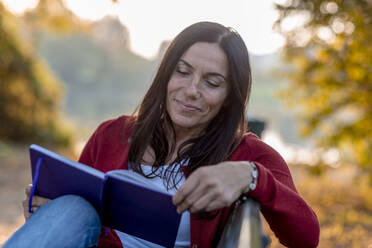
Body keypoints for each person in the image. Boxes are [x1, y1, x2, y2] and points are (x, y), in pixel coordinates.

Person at [4, 21, 319, 248]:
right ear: (166, 74)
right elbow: (79, 214)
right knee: (71, 208)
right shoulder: (112, 133)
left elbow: (306, 237)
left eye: (211, 82)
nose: (191, 90)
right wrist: (48, 216)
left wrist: (252, 177)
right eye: (182, 72)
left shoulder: (248, 154)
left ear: (230, 94)